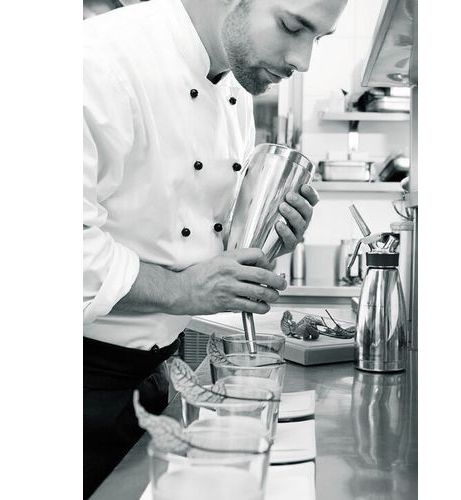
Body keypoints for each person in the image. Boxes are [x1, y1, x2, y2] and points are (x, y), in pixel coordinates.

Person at [83, 0, 347, 496]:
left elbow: (197, 237)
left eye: (319, 38)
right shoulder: (96, 61)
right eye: (292, 26)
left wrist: (267, 237)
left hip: (156, 376)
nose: (304, 60)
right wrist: (184, 291)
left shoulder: (234, 86)